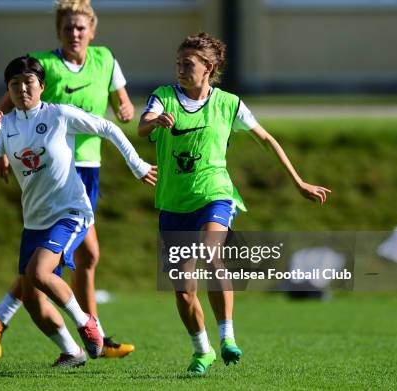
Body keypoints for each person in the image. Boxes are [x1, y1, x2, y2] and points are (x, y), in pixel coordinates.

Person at [137, 33, 331, 375]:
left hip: (215, 194)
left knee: (213, 253)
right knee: (183, 291)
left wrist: (299, 181)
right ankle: (203, 350)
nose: (180, 69)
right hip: (173, 203)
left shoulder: (229, 103)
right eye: (178, 63)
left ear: (209, 68)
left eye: (188, 64)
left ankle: (227, 336)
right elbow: (141, 127)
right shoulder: (164, 96)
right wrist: (154, 122)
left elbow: (267, 140)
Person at [0, 56, 155, 368]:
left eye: (28, 82)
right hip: (34, 222)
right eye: (15, 84)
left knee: (39, 273)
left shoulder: (59, 115)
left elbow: (107, 127)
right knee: (31, 299)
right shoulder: (6, 127)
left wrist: (136, 165)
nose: (22, 89)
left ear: (42, 86)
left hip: (71, 211)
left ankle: (86, 324)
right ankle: (72, 352)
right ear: (8, 90)